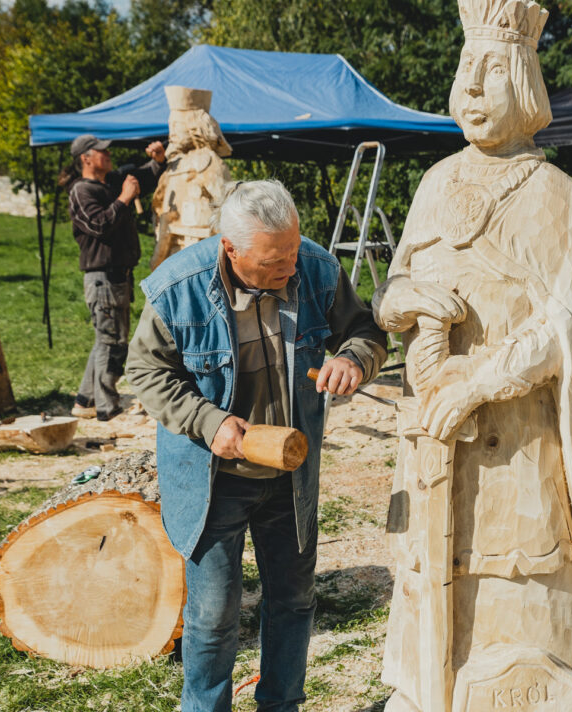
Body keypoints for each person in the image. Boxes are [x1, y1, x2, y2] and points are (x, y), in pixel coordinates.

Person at [372, 0, 572, 710]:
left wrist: (479, 382)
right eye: (465, 71)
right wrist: (407, 300)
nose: (472, 90)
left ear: (527, 82)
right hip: (435, 432)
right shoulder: (435, 181)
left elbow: (570, 320)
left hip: (518, 434)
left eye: (491, 73)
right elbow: (390, 292)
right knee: (432, 563)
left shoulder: (555, 195)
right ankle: (429, 689)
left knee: (521, 568)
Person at [125, 179, 387, 712]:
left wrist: (354, 359)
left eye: (292, 251)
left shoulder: (314, 267)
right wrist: (206, 420)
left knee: (293, 602)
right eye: (273, 262)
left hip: (289, 477)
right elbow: (145, 372)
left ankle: (280, 705)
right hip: (212, 481)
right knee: (214, 617)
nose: (289, 268)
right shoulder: (181, 286)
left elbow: (366, 331)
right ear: (231, 249)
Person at [63, 133, 166, 420]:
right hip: (102, 278)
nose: (108, 155)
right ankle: (107, 408)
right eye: (101, 152)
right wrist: (124, 198)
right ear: (86, 158)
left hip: (118, 276)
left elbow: (144, 177)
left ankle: (85, 400)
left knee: (106, 340)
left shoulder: (110, 182)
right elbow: (98, 225)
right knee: (112, 344)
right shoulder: (82, 191)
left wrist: (157, 161)